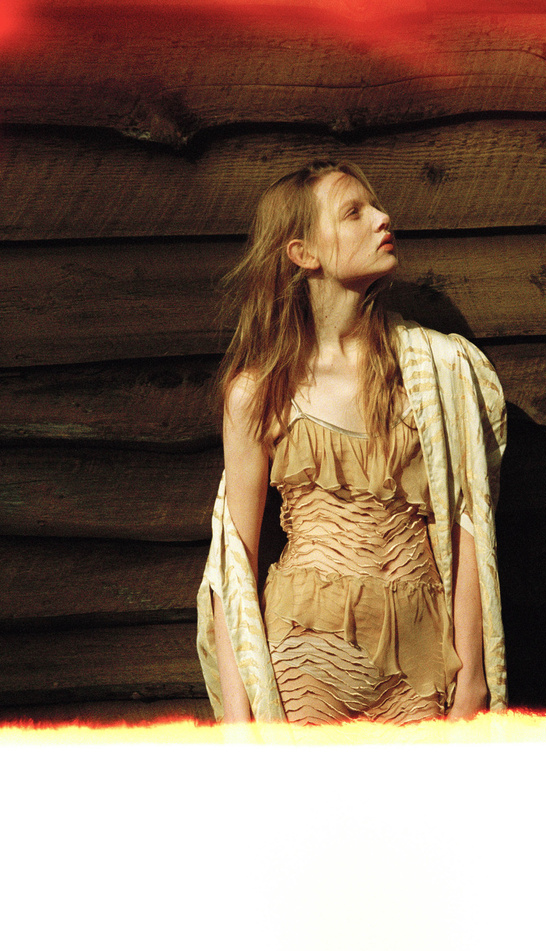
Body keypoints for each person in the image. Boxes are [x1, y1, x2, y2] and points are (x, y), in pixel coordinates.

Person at [196, 159, 506, 724]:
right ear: (303, 253)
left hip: (422, 655)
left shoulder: (438, 370)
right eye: (354, 212)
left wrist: (474, 681)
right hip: (308, 656)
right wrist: (239, 726)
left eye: (376, 206)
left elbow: (468, 524)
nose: (383, 218)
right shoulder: (260, 391)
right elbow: (233, 561)